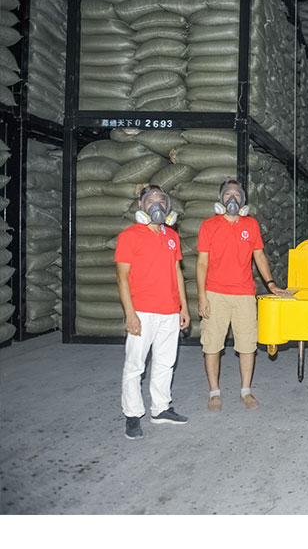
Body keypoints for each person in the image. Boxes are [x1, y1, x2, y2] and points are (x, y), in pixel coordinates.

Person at [196, 179, 288, 411]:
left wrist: (270, 284)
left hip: (245, 294)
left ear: (243, 200)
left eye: (237, 194)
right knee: (212, 344)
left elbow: (260, 256)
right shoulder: (208, 226)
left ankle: (246, 391)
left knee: (247, 344)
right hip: (215, 293)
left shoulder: (251, 224)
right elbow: (202, 263)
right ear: (220, 199)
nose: (232, 198)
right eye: (228, 194)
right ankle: (214, 393)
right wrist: (202, 296)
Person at [116, 185, 191, 440]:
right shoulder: (129, 236)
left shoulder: (172, 236)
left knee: (165, 363)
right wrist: (130, 313)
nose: (156, 205)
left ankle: (160, 409)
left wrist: (183, 307)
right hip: (142, 311)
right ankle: (132, 414)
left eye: (161, 200)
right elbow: (122, 278)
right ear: (141, 205)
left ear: (168, 205)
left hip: (169, 311)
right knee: (135, 365)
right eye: (150, 200)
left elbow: (177, 272)